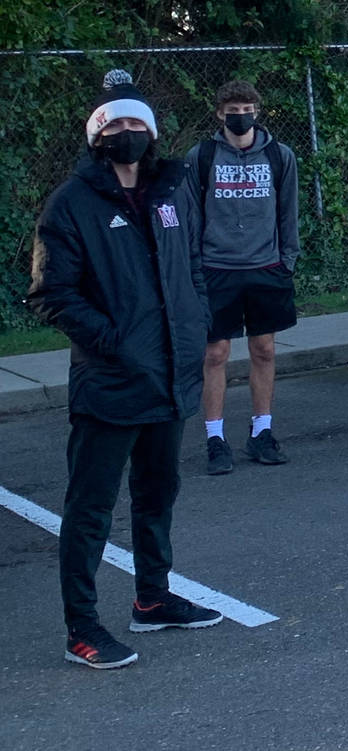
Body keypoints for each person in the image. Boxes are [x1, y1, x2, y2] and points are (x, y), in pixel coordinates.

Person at [30, 70, 223, 670]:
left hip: (169, 376)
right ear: (97, 136)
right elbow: (50, 293)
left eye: (138, 123)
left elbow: (191, 261)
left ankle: (153, 598)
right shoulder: (71, 203)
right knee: (90, 509)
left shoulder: (173, 190)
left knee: (157, 493)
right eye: (116, 124)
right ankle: (82, 629)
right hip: (111, 381)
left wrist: (194, 324)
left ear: (153, 133)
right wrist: (112, 342)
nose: (128, 132)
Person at [188, 79, 300, 475]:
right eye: (232, 111)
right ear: (219, 114)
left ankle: (262, 432)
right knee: (215, 354)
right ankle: (215, 439)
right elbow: (191, 217)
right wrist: (195, 267)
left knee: (264, 350)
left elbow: (289, 213)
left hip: (266, 267)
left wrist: (286, 261)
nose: (240, 117)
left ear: (258, 111)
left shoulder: (278, 156)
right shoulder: (201, 157)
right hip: (217, 269)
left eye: (246, 110)